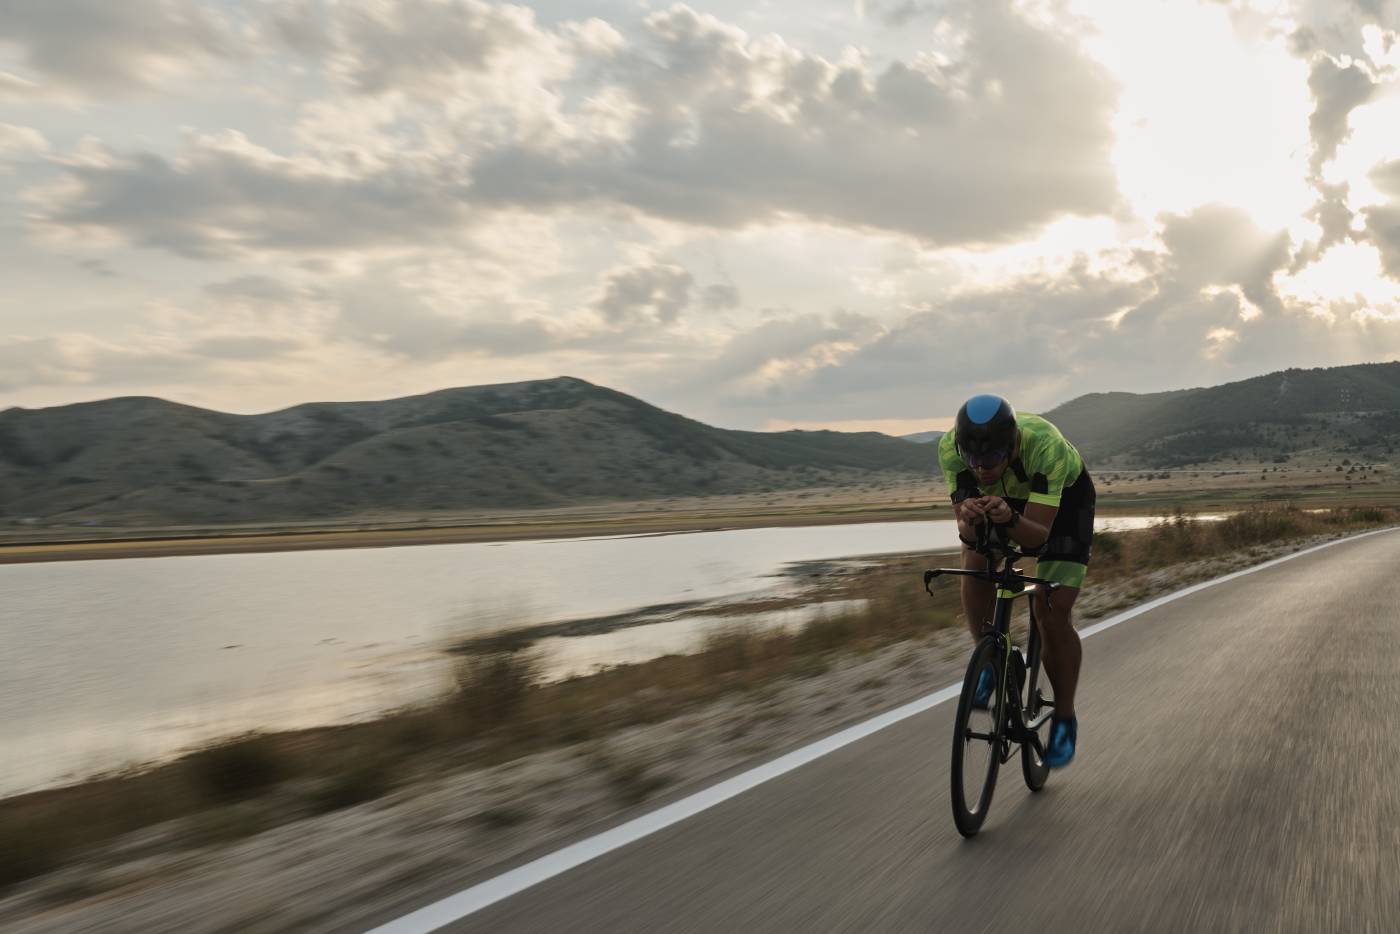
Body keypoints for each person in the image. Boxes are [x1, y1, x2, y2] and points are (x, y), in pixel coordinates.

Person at [937, 394, 1095, 768]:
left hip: (1064, 507)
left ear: (1011, 447)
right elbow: (965, 526)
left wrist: (1008, 519)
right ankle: (992, 660)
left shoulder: (1046, 447)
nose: (980, 469)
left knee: (1051, 611)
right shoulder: (949, 448)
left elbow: (1038, 536)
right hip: (1004, 503)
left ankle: (1064, 718)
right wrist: (969, 518)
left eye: (990, 459)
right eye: (972, 460)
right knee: (974, 558)